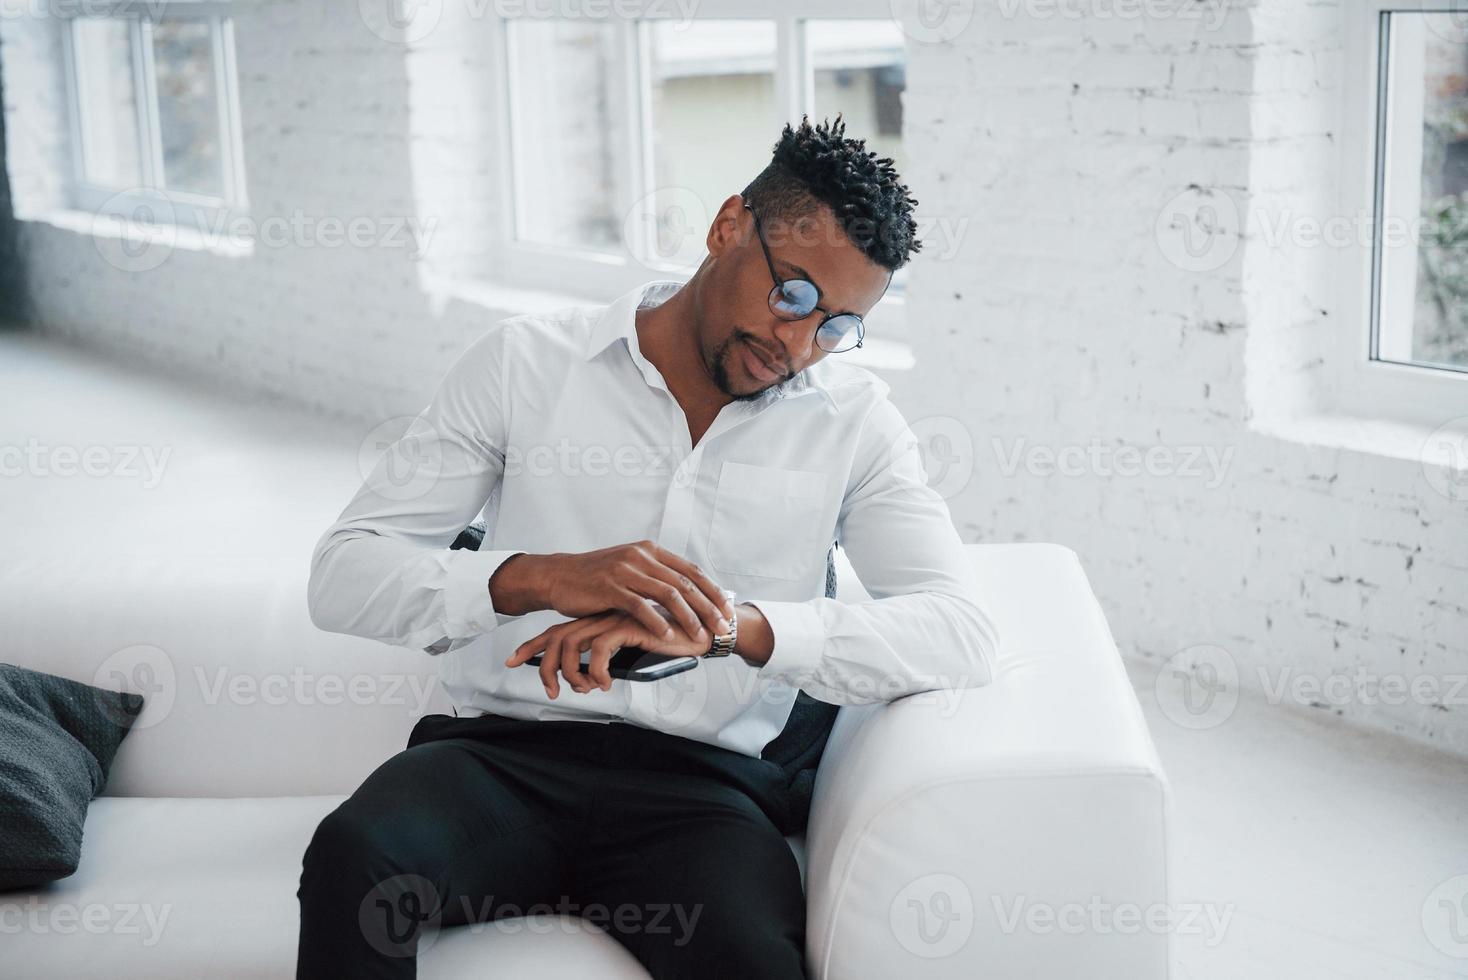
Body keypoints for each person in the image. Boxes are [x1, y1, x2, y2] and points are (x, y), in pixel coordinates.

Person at [297, 115, 999, 980]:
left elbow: (961, 631)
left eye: (835, 325)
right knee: (354, 856)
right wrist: (545, 577)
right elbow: (343, 576)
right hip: (502, 759)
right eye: (792, 295)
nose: (796, 342)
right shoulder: (524, 364)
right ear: (728, 226)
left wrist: (728, 628)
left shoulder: (855, 425)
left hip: (703, 795)